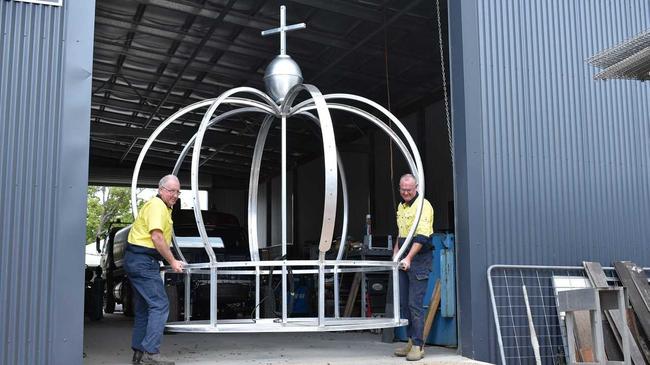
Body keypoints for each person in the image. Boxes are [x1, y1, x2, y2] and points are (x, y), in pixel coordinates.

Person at [125, 175, 184, 365]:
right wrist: (173, 261)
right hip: (143, 262)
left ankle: (139, 353)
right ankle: (151, 353)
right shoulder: (157, 206)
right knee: (159, 304)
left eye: (178, 191)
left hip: (138, 261)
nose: (175, 195)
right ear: (161, 190)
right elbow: (157, 237)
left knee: (144, 308)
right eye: (171, 190)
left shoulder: (163, 208)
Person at [392, 173, 434, 361]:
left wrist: (408, 258)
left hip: (419, 259)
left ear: (416, 187)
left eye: (409, 189)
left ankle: (418, 345)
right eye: (403, 189)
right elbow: (401, 233)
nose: (406, 192)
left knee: (415, 304)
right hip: (404, 258)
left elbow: (421, 237)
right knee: (405, 304)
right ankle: (410, 341)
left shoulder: (423, 206)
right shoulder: (402, 206)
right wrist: (396, 253)